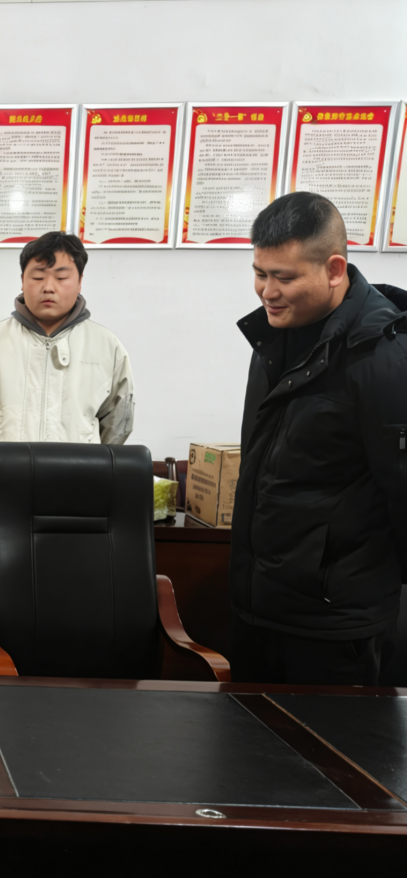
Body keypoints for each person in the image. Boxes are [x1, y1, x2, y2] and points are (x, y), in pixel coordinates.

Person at [231, 192, 407, 686]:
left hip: (333, 626)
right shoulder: (273, 338)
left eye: (284, 278)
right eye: (260, 274)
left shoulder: (382, 359)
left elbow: (401, 491)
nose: (267, 292)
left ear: (334, 270)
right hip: (260, 608)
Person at [0, 231, 135, 506]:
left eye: (61, 278)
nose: (48, 287)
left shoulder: (107, 347)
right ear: (22, 280)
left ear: (80, 281)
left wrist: (91, 462)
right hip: (4, 492)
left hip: (79, 492)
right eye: (38, 277)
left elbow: (118, 423)